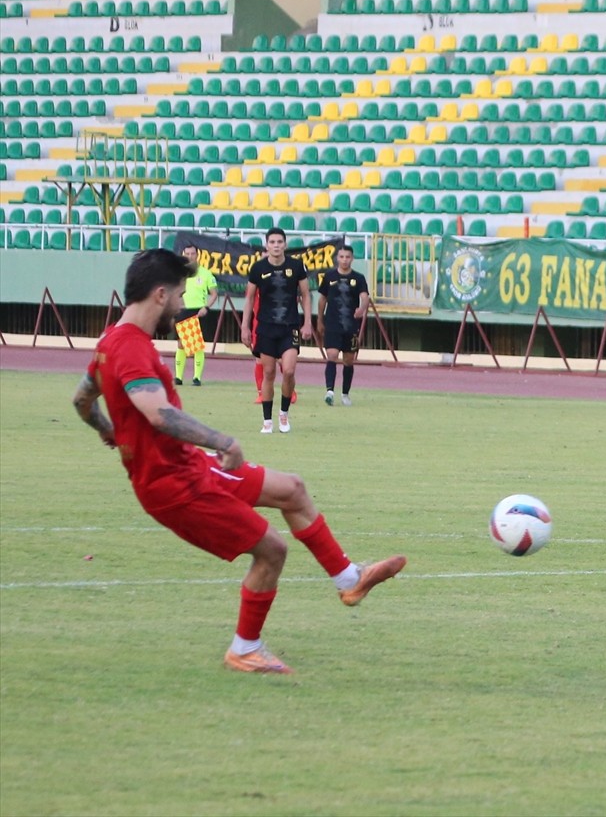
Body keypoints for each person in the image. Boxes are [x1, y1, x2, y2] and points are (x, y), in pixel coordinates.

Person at [72, 249, 406, 675]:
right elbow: (160, 414)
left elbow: (82, 399)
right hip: (173, 486)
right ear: (159, 294)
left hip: (190, 466)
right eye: (178, 294)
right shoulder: (132, 349)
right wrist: (222, 439)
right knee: (271, 551)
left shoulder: (110, 343)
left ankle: (348, 580)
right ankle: (245, 648)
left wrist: (108, 428)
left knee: (293, 489)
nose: (181, 302)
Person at [241, 227, 312, 434]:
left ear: (285, 244)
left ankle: (284, 413)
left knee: (289, 371)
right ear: (266, 245)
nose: (276, 246)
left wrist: (307, 322)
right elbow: (249, 298)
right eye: (272, 242)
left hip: (290, 326)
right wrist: (245, 326)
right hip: (265, 327)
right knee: (269, 372)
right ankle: (267, 421)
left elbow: (306, 295)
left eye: (279, 242)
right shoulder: (258, 268)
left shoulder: (296, 266)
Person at [318, 243, 369, 407]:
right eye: (341, 257)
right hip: (332, 323)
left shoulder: (359, 278)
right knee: (331, 355)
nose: (344, 260)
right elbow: (322, 299)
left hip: (350, 325)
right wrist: (319, 319)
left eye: (347, 257)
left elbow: (365, 296)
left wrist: (362, 308)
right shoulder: (329, 277)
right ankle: (329, 391)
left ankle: (345, 394)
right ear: (337, 258)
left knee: (348, 360)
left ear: (352, 259)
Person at [173, 243, 218, 387]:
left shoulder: (205, 273)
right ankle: (178, 377)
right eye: (187, 254)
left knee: (197, 345)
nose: (190, 256)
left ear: (197, 255)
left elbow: (214, 294)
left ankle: (196, 377)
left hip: (199, 310)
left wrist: (206, 307)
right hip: (183, 310)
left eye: (192, 254)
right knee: (181, 344)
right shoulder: (179, 274)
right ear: (183, 255)